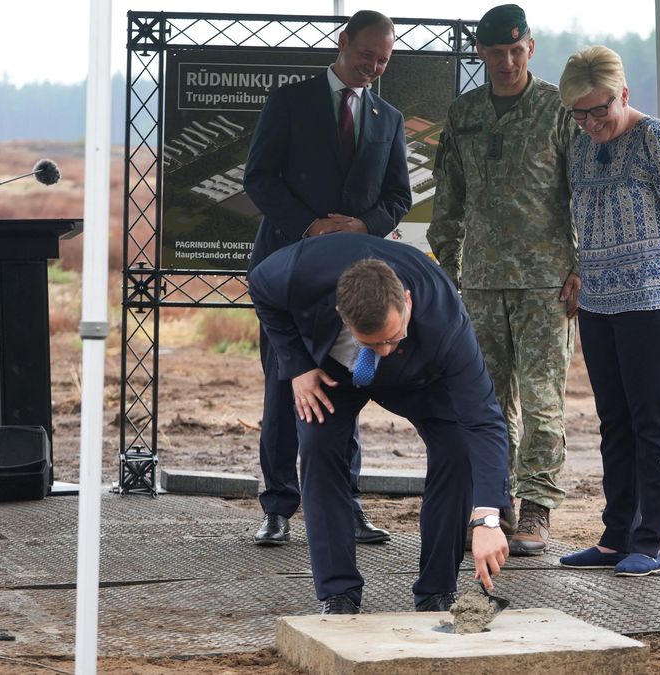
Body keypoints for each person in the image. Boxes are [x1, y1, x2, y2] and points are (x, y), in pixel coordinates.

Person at [247, 233, 512, 614]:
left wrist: (487, 518)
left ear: (406, 302)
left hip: (422, 372)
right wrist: (298, 366)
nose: (384, 351)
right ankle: (338, 594)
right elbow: (260, 288)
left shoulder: (445, 320)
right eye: (373, 343)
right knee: (319, 449)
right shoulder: (296, 272)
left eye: (391, 338)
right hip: (335, 372)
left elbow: (484, 421)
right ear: (342, 314)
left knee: (456, 450)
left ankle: (437, 591)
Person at [243, 10, 412, 548]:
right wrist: (310, 225)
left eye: (383, 60)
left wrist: (364, 227)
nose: (373, 67)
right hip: (290, 267)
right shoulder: (290, 101)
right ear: (343, 43)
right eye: (367, 55)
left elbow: (398, 198)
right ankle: (278, 507)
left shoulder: (388, 117)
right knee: (284, 386)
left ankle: (347, 505)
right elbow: (258, 178)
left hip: (356, 280)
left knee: (347, 389)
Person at [555, 45, 660, 576]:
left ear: (624, 94)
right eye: (579, 113)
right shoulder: (581, 148)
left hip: (655, 303)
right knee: (614, 422)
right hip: (600, 302)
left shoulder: (659, 140)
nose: (591, 122)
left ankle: (650, 542)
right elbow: (579, 213)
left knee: (651, 419)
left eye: (599, 109)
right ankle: (614, 536)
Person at [427, 3, 578, 556]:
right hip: (482, 282)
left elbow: (580, 190)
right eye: (496, 53)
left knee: (542, 399)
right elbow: (449, 199)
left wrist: (581, 264)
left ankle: (536, 507)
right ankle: (496, 504)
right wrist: (445, 272)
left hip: (546, 284)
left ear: (530, 48)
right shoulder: (463, 113)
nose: (508, 61)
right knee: (486, 399)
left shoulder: (557, 109)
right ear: (481, 54)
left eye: (516, 51)